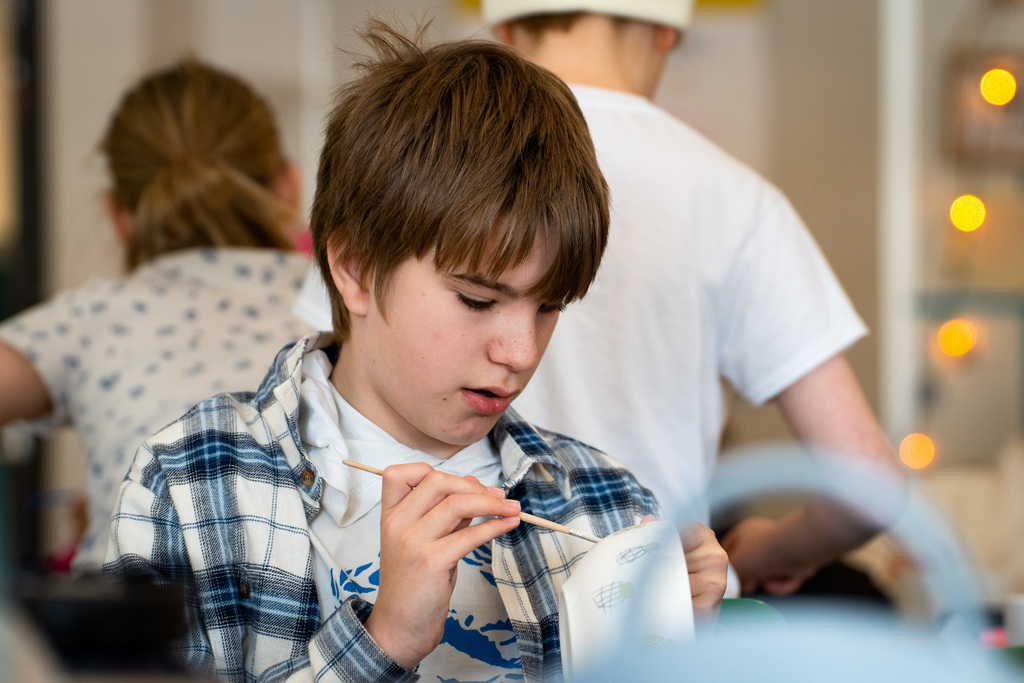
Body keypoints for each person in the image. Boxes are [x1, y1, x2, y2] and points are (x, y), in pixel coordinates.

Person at [103, 21, 728, 683]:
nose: (520, 352)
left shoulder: (604, 504)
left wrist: (678, 647)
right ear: (353, 267)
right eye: (477, 300)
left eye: (548, 307)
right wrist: (384, 642)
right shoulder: (191, 481)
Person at [474, 0, 903, 597]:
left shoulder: (433, 172)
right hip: (655, 611)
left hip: (452, 606)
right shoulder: (736, 200)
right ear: (667, 32)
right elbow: (869, 488)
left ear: (505, 28)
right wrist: (763, 551)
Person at [0, 59, 312, 571]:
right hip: (327, 620)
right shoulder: (347, 302)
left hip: (137, 620)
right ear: (290, 186)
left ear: (117, 214)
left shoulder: (95, 317)